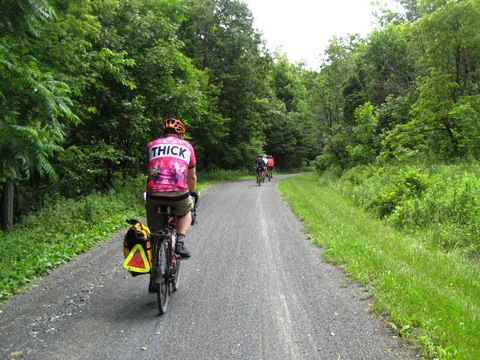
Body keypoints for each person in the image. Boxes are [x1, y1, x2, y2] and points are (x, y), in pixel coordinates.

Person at [145, 118, 198, 259]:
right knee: (186, 210)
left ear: (164, 132)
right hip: (178, 192)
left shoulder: (151, 145)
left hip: (154, 193)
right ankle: (180, 242)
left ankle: (156, 253)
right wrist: (192, 193)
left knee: (155, 231)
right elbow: (191, 177)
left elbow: (150, 169)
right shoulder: (187, 146)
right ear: (180, 134)